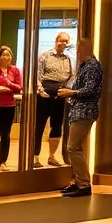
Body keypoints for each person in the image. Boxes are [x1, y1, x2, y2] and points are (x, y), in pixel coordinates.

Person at [58, 38, 103, 197]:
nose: (76, 51)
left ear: (86, 49)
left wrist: (70, 93)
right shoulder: (84, 66)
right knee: (78, 147)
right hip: (79, 110)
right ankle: (78, 181)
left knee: (72, 147)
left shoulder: (92, 66)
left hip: (85, 111)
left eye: (78, 48)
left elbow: (89, 90)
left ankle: (83, 184)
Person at [34, 32, 74, 168]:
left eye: (65, 41)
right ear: (55, 40)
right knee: (38, 126)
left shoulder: (68, 59)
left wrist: (67, 90)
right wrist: (40, 90)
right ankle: (35, 157)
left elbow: (71, 77)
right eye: (60, 40)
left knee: (57, 126)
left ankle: (52, 156)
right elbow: (37, 75)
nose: (62, 43)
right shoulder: (45, 56)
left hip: (60, 94)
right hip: (45, 92)